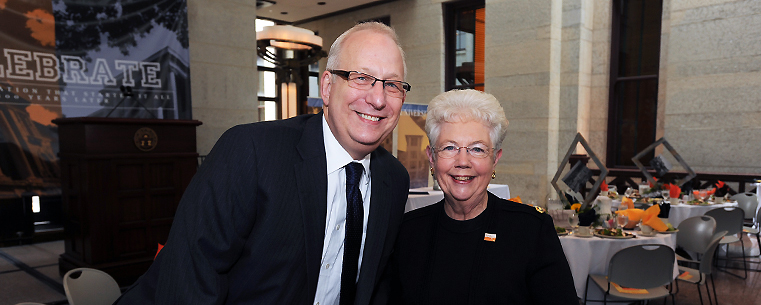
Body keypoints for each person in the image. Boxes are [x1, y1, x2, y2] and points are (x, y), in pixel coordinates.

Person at [115, 22, 411, 304]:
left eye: (393, 85)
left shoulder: (394, 180)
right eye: (361, 78)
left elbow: (375, 285)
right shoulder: (251, 153)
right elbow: (188, 279)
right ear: (327, 87)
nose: (378, 99)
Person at [388, 89, 577, 304]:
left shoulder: (531, 231)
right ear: (431, 157)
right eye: (449, 147)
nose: (463, 161)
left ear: (495, 159)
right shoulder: (408, 231)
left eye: (477, 149)